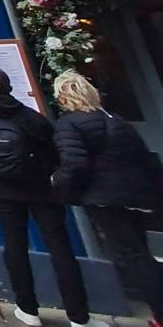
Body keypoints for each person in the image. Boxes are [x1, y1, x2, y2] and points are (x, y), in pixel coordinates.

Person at [0, 67, 91, 327]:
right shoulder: (31, 116)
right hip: (41, 189)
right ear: (9, 86)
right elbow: (53, 152)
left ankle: (27, 310)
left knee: (14, 245)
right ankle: (78, 316)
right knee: (60, 247)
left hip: (1, 189)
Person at [52, 71, 163, 326]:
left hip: (102, 198)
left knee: (134, 256)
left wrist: (59, 186)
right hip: (134, 196)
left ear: (63, 97)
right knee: (139, 251)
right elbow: (145, 159)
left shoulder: (69, 124)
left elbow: (74, 163)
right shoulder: (118, 121)